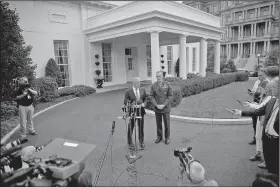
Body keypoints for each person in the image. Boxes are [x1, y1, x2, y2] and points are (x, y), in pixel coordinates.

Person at [231, 78, 279, 175]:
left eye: (273, 87)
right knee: (271, 168)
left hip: (277, 142)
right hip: (268, 140)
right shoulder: (272, 101)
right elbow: (259, 111)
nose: (270, 90)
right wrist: (240, 113)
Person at [242, 79, 271, 168]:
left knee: (264, 139)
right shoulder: (264, 95)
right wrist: (252, 104)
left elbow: (262, 108)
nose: (261, 90)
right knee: (258, 137)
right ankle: (258, 154)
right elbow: (260, 105)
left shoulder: (270, 97)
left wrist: (250, 105)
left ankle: (267, 161)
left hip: (263, 119)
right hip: (260, 118)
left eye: (263, 88)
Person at [124, 77, 148, 149]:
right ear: (133, 83)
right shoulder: (128, 91)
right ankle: (130, 142)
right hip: (132, 111)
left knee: (141, 127)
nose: (139, 84)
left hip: (141, 111)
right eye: (137, 82)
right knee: (131, 127)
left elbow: (146, 98)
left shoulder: (142, 90)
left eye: (139, 82)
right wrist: (131, 103)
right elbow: (125, 101)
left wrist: (144, 103)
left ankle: (141, 141)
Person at [150, 71, 173, 145]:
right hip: (157, 108)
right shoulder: (153, 85)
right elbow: (151, 96)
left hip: (165, 108)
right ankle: (159, 137)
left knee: (167, 124)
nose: (158, 78)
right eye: (157, 76)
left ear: (162, 76)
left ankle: (167, 138)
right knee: (158, 124)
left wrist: (164, 104)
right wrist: (156, 105)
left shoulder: (168, 84)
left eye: (159, 76)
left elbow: (170, 96)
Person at [247, 68, 268, 145]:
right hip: (255, 104)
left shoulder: (268, 84)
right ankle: (255, 138)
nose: (259, 77)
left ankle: (263, 139)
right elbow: (254, 92)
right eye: (258, 75)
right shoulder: (257, 82)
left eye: (261, 75)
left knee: (261, 124)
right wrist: (251, 93)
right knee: (254, 123)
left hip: (262, 105)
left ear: (265, 75)